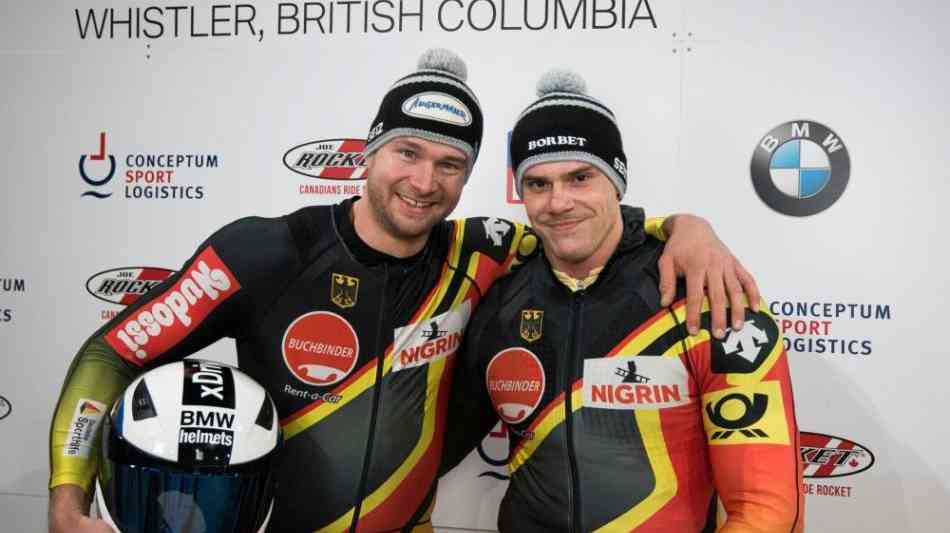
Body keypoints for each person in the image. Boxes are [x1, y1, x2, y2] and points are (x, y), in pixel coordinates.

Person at [49, 51, 762, 533]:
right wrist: (66, 495)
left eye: (451, 164)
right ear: (369, 151)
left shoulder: (481, 252)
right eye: (408, 152)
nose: (424, 182)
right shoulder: (266, 251)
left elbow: (587, 230)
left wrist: (686, 229)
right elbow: (110, 353)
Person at [451, 70, 804, 532]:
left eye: (580, 178)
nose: (558, 202)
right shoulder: (501, 300)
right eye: (538, 184)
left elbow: (765, 507)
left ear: (616, 183)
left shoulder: (708, 294)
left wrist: (686, 226)